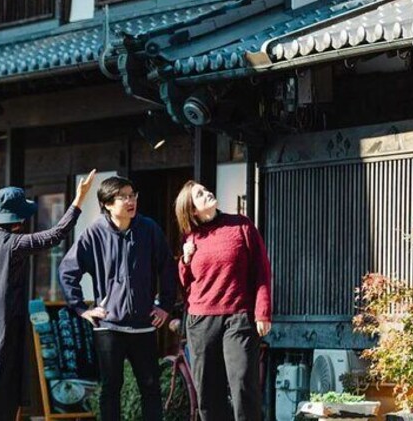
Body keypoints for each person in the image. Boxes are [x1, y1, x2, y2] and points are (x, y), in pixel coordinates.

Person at [0, 170, 96, 421]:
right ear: (17, 220)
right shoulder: (13, 244)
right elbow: (55, 235)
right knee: (0, 392)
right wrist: (78, 200)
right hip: (3, 328)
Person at [59, 176, 176, 421]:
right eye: (123, 196)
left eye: (133, 194)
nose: (131, 200)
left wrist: (165, 305)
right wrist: (81, 309)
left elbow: (167, 267)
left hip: (144, 325)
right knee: (111, 388)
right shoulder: (94, 232)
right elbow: (68, 270)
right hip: (109, 326)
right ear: (108, 203)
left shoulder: (149, 229)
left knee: (150, 387)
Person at [175, 180, 272, 421]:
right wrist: (185, 260)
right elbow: (185, 283)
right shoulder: (191, 237)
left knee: (242, 385)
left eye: (205, 189)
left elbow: (262, 270)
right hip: (201, 321)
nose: (207, 192)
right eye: (200, 194)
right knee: (207, 392)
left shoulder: (241, 225)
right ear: (192, 209)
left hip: (239, 316)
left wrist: (263, 311)